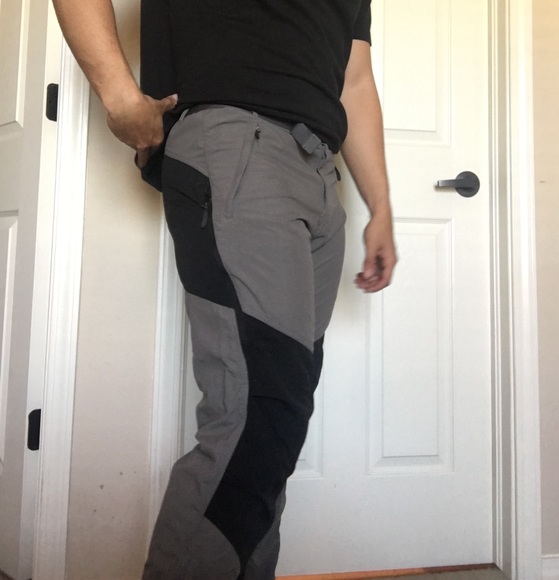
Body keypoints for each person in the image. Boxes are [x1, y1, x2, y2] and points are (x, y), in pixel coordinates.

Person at [51, 1, 397, 578]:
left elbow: (354, 79)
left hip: (319, 176)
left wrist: (380, 205)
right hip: (237, 145)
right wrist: (119, 95)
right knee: (254, 417)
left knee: (275, 425)